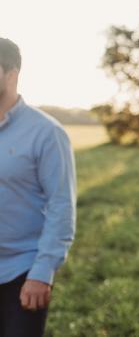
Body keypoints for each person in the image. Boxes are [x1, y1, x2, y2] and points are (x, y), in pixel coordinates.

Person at [0, 38, 77, 337]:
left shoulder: (48, 133)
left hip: (22, 272)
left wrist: (42, 273)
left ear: (12, 74)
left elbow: (62, 206)